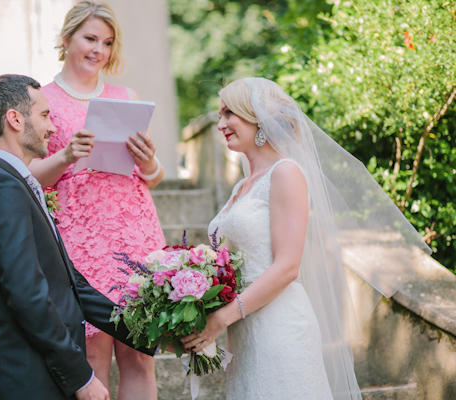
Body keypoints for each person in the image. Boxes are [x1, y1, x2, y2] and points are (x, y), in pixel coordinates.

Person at [181, 78, 431, 399]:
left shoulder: (285, 173)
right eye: (219, 115)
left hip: (278, 329)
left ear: (257, 117)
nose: (220, 124)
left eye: (229, 113)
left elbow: (287, 267)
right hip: (242, 334)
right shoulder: (241, 187)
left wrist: (221, 319)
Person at [0, 74, 156, 400]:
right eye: (44, 116)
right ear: (14, 119)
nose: (53, 128)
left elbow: (73, 285)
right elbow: (28, 296)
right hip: (27, 378)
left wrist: (149, 332)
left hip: (43, 373)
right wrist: (81, 377)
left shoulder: (17, 183)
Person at [28, 1, 164, 398]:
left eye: (107, 42)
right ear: (67, 38)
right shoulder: (41, 98)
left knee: (140, 353)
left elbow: (152, 178)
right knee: (91, 353)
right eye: (90, 38)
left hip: (134, 232)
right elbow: (28, 177)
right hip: (80, 236)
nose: (98, 50)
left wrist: (148, 159)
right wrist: (67, 155)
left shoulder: (127, 96)